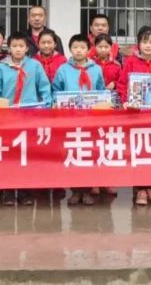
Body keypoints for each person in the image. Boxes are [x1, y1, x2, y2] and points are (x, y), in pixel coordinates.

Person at [0, 31, 52, 206]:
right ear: (9, 48)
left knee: (26, 154)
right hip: (7, 118)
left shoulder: (35, 66)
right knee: (8, 155)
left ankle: (25, 190)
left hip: (29, 117)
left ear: (27, 48)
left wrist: (46, 107)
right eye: (14, 46)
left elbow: (45, 89)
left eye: (21, 46)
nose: (18, 49)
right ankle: (8, 190)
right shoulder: (1, 68)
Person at [117, 26, 151, 206]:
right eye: (144, 42)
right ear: (138, 44)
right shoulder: (131, 61)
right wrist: (125, 101)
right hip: (136, 115)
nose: (148, 46)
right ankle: (139, 189)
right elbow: (122, 84)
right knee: (138, 151)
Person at [52, 34, 105, 206]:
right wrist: (56, 103)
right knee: (73, 154)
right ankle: (75, 190)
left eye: (82, 47)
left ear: (89, 50)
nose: (79, 51)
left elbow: (101, 90)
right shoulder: (63, 70)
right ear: (70, 49)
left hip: (90, 120)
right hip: (70, 120)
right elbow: (55, 90)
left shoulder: (96, 70)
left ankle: (87, 190)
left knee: (88, 154)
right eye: (75, 47)